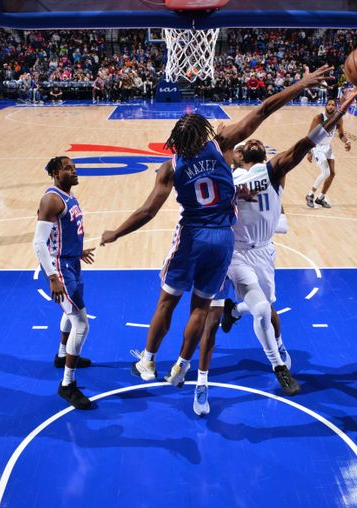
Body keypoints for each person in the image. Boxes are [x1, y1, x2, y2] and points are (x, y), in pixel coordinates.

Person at [100, 64, 334, 395]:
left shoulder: (171, 167)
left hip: (191, 238)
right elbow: (265, 108)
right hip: (222, 241)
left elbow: (147, 211)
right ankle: (183, 364)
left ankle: (148, 362)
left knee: (166, 302)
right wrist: (303, 83)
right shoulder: (223, 144)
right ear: (204, 133)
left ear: (177, 141)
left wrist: (116, 233)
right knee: (201, 308)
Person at [195, 90, 357, 415]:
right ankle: (277, 364)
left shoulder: (273, 171)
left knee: (265, 310)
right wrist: (217, 139)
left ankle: (235, 312)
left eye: (254, 143)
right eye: (241, 147)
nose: (249, 144)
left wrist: (340, 111)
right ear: (236, 157)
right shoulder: (227, 177)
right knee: (262, 312)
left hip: (265, 251)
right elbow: (212, 161)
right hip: (236, 254)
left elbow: (307, 142)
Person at [33, 156, 96, 409]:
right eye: (68, 168)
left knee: (71, 313)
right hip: (60, 269)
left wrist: (75, 251)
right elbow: (39, 243)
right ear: (56, 173)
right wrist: (52, 277)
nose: (74, 171)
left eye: (74, 167)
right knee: (81, 324)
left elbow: (62, 232)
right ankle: (67, 384)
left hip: (71, 262)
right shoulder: (52, 199)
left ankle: (62, 356)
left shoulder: (66, 195)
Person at [305, 99, 352, 209]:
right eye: (329, 105)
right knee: (325, 172)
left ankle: (320, 198)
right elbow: (310, 135)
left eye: (333, 105)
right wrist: (309, 151)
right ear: (325, 106)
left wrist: (347, 141)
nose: (331, 106)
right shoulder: (319, 118)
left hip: (328, 147)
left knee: (332, 173)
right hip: (317, 147)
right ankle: (310, 194)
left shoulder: (338, 119)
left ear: (335, 107)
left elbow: (341, 135)